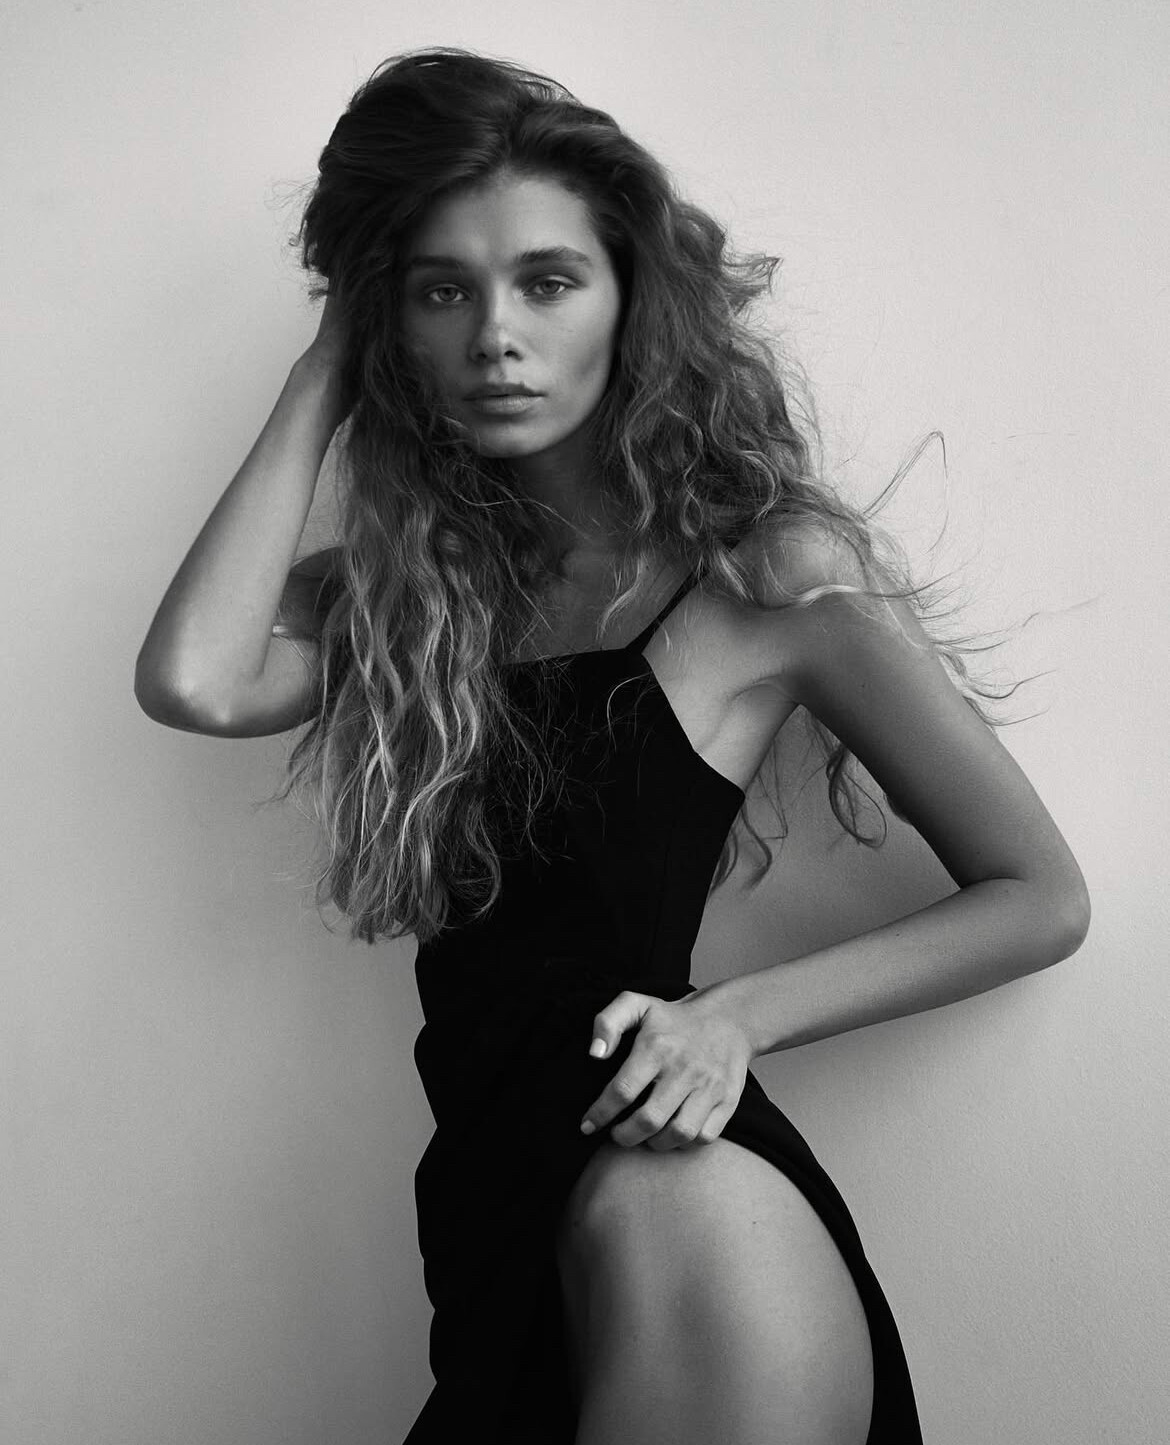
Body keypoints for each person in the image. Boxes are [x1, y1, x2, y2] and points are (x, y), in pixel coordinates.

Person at [134, 47, 1091, 1445]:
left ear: (630, 298)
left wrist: (736, 1018)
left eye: (547, 281)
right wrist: (326, 367)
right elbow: (195, 680)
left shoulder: (761, 577)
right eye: (441, 290)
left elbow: (1040, 895)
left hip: (678, 1202)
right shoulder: (408, 596)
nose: (495, 336)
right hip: (494, 1209)